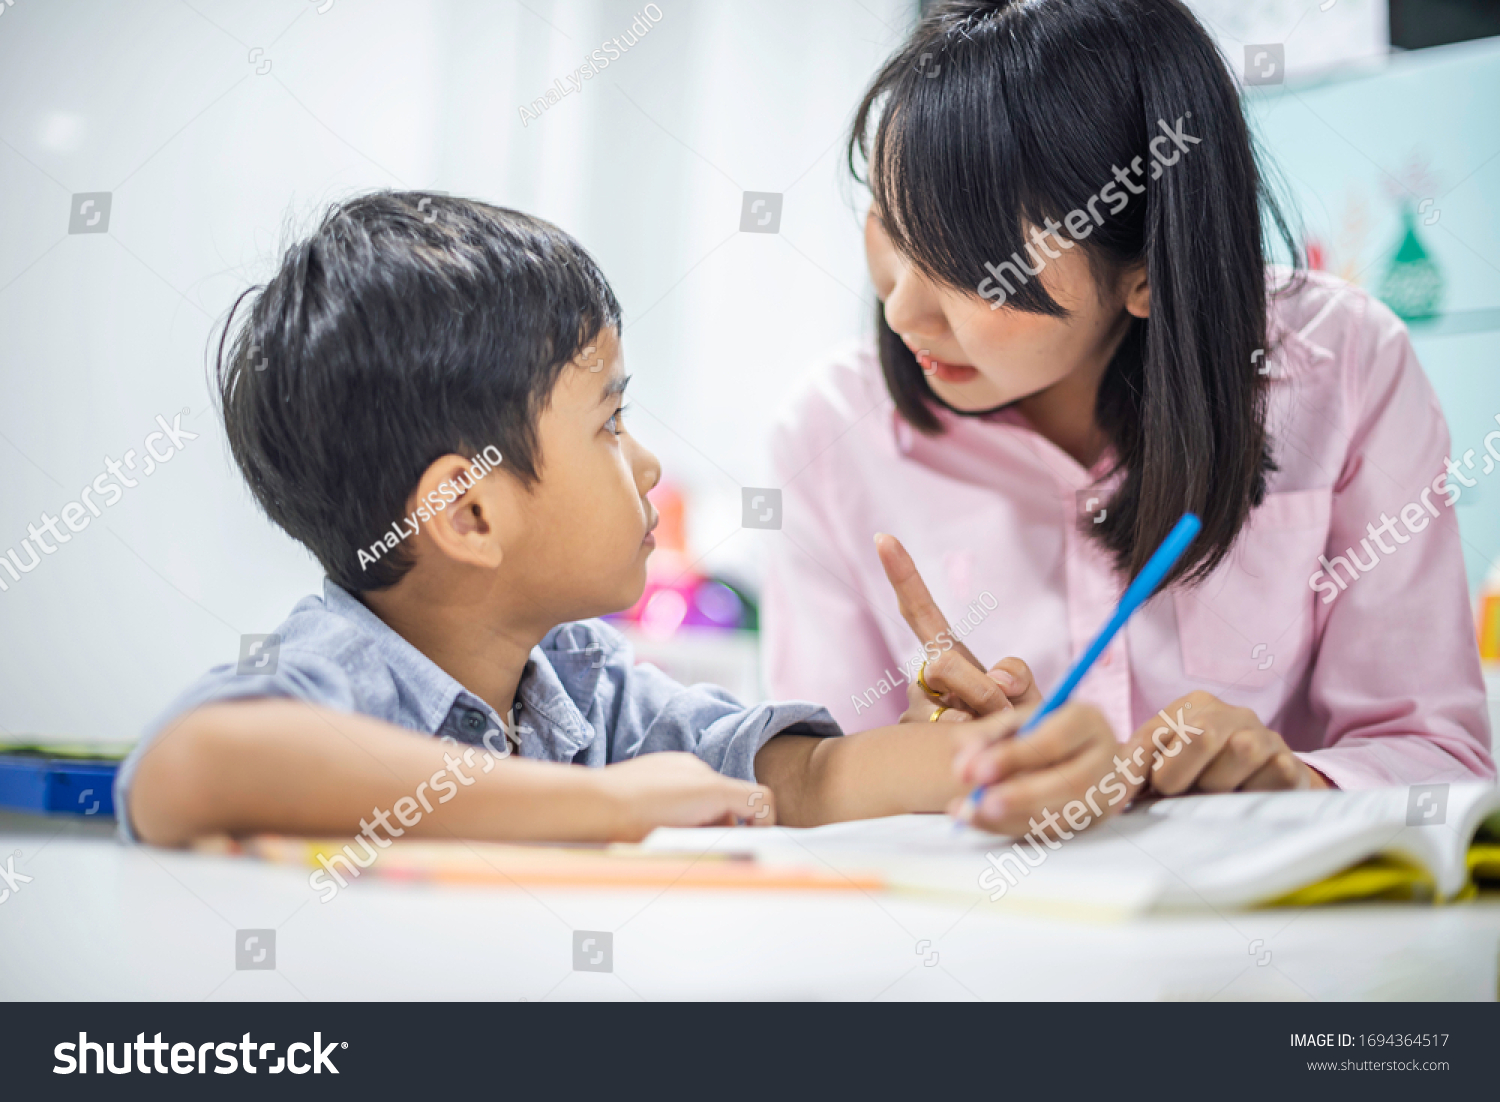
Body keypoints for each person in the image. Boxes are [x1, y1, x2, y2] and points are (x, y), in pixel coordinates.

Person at [117, 191, 1087, 847]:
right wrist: (601, 802)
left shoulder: (583, 684)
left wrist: (973, 758)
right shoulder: (343, 668)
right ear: (469, 512)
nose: (648, 461)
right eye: (610, 423)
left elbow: (795, 783)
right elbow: (188, 764)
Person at [763, 0, 1494, 833]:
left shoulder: (1345, 369)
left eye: (974, 270)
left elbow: (1439, 759)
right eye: (892, 231)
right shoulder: (829, 433)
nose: (903, 314)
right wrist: (934, 765)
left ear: (1147, 269)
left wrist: (1299, 784)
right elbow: (810, 795)